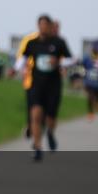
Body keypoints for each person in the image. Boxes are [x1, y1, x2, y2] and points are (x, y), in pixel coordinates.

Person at [22, 16, 71, 161]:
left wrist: (59, 61)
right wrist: (16, 69)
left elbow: (70, 58)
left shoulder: (59, 42)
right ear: (38, 26)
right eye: (40, 24)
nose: (43, 27)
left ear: (50, 27)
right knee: (36, 114)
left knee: (50, 117)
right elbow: (23, 59)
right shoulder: (32, 43)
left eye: (46, 25)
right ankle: (37, 147)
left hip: (53, 85)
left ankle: (50, 132)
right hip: (37, 84)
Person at [82, 42, 98, 120]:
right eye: (94, 49)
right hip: (89, 82)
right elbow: (82, 67)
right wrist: (83, 75)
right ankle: (90, 113)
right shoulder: (87, 58)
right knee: (90, 96)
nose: (95, 50)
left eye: (97, 49)